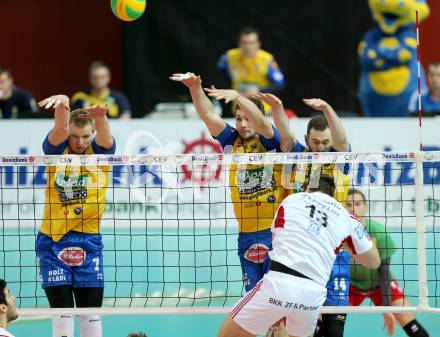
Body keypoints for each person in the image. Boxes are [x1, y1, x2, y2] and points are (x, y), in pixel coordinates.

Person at [217, 174, 381, 337]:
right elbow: (374, 262)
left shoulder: (291, 200)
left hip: (279, 284)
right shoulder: (347, 218)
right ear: (333, 194)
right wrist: (344, 243)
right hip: (312, 298)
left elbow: (276, 238)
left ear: (307, 188)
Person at [170, 72, 287, 293]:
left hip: (275, 235)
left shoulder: (271, 142)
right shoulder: (231, 142)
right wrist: (195, 88)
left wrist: (238, 97)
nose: (243, 124)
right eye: (238, 118)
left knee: (276, 300)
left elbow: (262, 122)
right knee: (252, 301)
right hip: (246, 235)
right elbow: (210, 117)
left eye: (247, 118)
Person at [255, 93, 352, 337]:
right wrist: (276, 107)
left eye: (325, 142)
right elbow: (286, 136)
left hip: (332, 252)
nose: (321, 147)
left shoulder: (338, 160)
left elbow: (341, 140)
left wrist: (328, 108)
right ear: (307, 138)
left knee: (334, 328)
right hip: (297, 253)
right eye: (316, 142)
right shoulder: (296, 155)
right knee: (289, 328)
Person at [36, 94, 116, 337]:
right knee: (61, 317)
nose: (80, 142)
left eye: (85, 136)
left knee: (90, 316)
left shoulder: (100, 154)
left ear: (92, 134)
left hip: (89, 242)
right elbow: (60, 127)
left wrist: (100, 118)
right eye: (75, 135)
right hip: (53, 241)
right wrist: (63, 102)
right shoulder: (56, 151)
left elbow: (105, 138)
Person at [345, 189, 430, 337]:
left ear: (365, 206)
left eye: (358, 204)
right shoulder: (338, 232)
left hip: (380, 283)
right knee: (323, 319)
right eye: (348, 204)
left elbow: (384, 272)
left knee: (410, 323)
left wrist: (387, 308)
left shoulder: (378, 232)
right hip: (349, 285)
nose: (353, 208)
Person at [217, 27, 284, 114]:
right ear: (239, 43)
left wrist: (258, 91)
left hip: (261, 108)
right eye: (244, 43)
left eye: (252, 43)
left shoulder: (266, 59)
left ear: (258, 44)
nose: (248, 46)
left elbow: (279, 83)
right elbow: (219, 74)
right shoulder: (229, 57)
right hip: (237, 108)